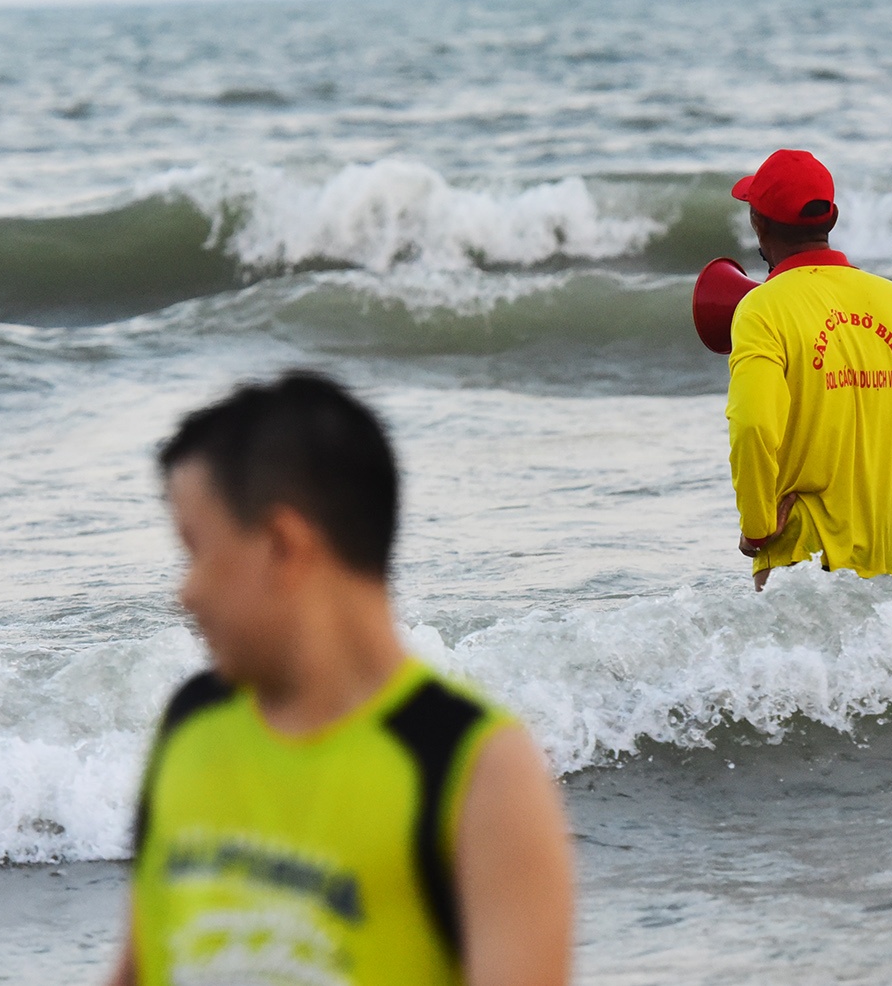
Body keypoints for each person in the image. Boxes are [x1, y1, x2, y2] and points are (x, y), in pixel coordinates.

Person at [109, 373, 574, 986]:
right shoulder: (191, 722)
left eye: (196, 551)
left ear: (282, 544)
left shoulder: (475, 770)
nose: (184, 593)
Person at [724, 150, 892, 589]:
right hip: (884, 561)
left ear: (758, 223)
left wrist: (757, 525)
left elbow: (752, 426)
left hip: (798, 561)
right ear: (833, 216)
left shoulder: (761, 309)